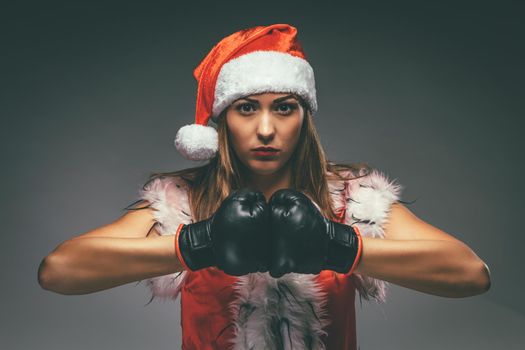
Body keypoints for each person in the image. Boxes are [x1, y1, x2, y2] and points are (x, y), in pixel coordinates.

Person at [38, 24, 491, 350]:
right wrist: (199, 243)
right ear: (222, 120)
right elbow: (58, 271)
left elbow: (471, 275)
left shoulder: (351, 200)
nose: (267, 129)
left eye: (285, 107)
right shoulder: (183, 202)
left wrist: (339, 245)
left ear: (304, 117)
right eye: (248, 108)